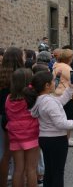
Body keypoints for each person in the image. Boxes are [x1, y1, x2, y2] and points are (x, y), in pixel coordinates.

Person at [30, 70, 73, 187]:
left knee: (50, 171)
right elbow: (60, 123)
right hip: (56, 139)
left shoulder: (43, 99)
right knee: (58, 172)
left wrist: (70, 88)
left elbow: (60, 101)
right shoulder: (48, 101)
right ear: (47, 85)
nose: (55, 83)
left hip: (46, 138)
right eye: (53, 81)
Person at [5, 68, 39, 187]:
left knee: (18, 169)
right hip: (32, 135)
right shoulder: (32, 98)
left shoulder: (9, 98)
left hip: (14, 135)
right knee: (31, 169)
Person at [0, 47, 25, 187]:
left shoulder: (2, 74)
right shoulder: (20, 76)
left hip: (2, 114)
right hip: (14, 117)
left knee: (4, 154)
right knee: (15, 155)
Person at [53, 49, 73, 146]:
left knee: (66, 116)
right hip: (65, 95)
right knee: (67, 117)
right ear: (69, 58)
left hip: (59, 93)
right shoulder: (66, 67)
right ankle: (66, 139)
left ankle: (68, 137)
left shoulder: (57, 65)